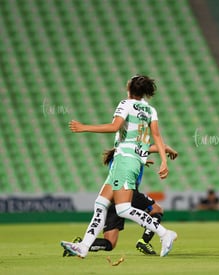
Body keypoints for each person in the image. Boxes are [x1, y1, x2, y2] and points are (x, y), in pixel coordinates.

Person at [61, 75, 177, 258]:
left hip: (124, 160)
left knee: (122, 208)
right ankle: (83, 246)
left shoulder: (125, 104)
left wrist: (84, 127)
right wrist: (163, 160)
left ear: (129, 87)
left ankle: (165, 233)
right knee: (100, 204)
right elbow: (156, 136)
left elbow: (114, 127)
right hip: (124, 161)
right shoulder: (150, 110)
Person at [63, 144, 178, 256]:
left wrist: (141, 161)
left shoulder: (120, 155)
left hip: (111, 197)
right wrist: (172, 151)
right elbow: (162, 146)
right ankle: (145, 241)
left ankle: (79, 245)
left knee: (110, 244)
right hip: (127, 191)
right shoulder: (135, 148)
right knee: (156, 210)